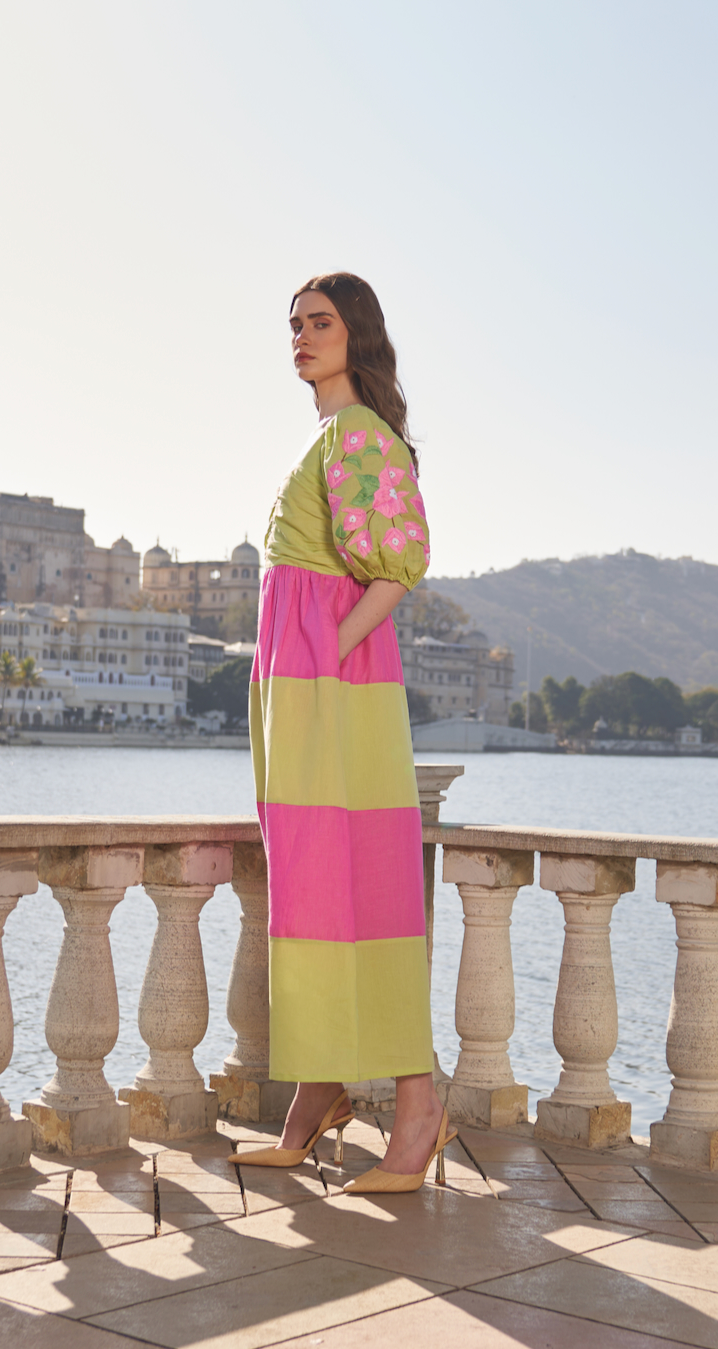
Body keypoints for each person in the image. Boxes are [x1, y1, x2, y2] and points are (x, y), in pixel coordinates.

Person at [230, 272, 456, 1193]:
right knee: (315, 891)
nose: (300, 336)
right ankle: (316, 1093)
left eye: (318, 322)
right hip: (304, 686)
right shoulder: (330, 436)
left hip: (330, 686)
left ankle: (417, 1103)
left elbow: (398, 565)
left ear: (355, 333)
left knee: (360, 889)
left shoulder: (359, 435)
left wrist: (327, 650)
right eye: (292, 324)